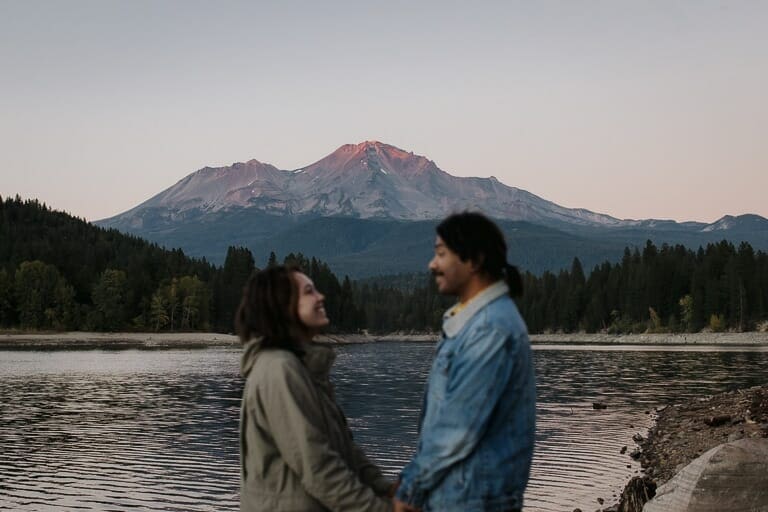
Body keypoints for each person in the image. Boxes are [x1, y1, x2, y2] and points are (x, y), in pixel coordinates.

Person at [394, 211, 536, 512]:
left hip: (472, 500)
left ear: (474, 261)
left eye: (441, 254)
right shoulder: (474, 321)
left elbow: (458, 427)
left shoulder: (490, 328)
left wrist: (409, 489)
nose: (432, 264)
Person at [236, 265, 393, 512]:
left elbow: (344, 450)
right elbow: (318, 466)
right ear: (282, 304)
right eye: (309, 292)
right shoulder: (279, 369)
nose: (321, 297)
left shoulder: (299, 367)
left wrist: (386, 489)